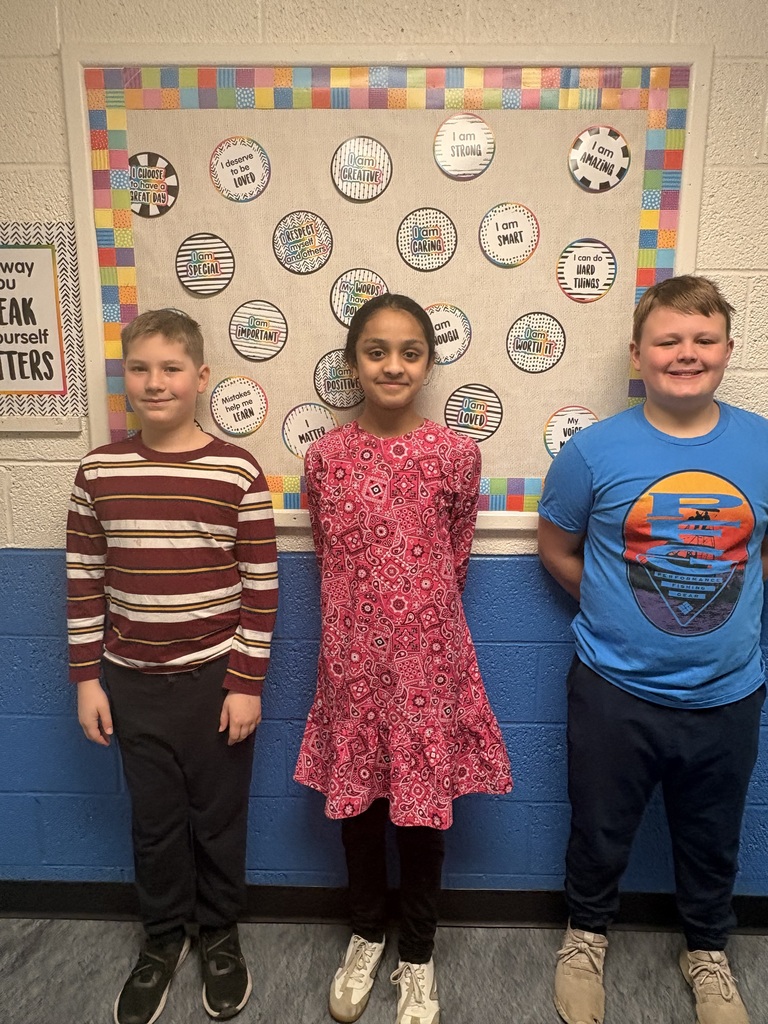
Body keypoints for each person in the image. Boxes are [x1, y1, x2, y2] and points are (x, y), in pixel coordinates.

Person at [537, 276, 767, 1024]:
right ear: (638, 354)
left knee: (712, 833)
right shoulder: (593, 452)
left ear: (728, 350)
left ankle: (705, 948)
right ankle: (585, 936)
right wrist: (618, 608)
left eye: (703, 340)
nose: (686, 354)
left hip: (728, 692)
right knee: (599, 828)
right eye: (668, 340)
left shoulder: (763, 445)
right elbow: (557, 548)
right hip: (612, 690)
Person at [294, 293, 512, 1024]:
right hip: (352, 670)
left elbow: (455, 556)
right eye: (376, 350)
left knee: (422, 820)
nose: (393, 364)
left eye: (410, 351)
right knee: (358, 813)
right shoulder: (323, 458)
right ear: (354, 362)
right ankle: (365, 931)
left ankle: (417, 953)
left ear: (428, 362)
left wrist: (413, 632)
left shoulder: (455, 453)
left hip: (428, 667)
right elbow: (330, 556)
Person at [66, 309, 278, 1024]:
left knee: (217, 819)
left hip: (216, 682)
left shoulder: (235, 469)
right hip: (130, 683)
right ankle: (162, 938)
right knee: (154, 822)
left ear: (201, 377)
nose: (155, 382)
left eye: (172, 368)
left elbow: (261, 586)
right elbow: (83, 579)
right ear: (127, 376)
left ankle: (218, 932)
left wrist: (246, 685)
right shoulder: (98, 470)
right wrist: (87, 680)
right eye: (141, 368)